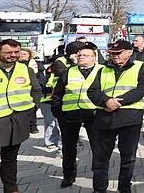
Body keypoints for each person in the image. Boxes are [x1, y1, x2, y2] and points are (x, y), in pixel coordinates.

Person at [87, 40, 144, 193]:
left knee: (128, 158)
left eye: (118, 53)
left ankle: (124, 187)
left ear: (129, 53)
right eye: (112, 53)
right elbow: (92, 91)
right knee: (100, 158)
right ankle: (99, 189)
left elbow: (142, 89)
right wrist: (106, 101)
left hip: (129, 119)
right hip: (104, 118)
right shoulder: (103, 70)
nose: (114, 56)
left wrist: (118, 102)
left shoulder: (140, 67)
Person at [0, 39, 42, 193]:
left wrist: (31, 110)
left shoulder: (26, 70)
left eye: (16, 52)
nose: (13, 55)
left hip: (17, 121)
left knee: (10, 159)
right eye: (8, 52)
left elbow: (36, 91)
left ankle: (11, 189)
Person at [50, 44, 102, 188]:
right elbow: (58, 93)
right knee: (68, 147)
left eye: (85, 55)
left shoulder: (102, 71)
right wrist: (58, 112)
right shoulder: (68, 72)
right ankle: (68, 175)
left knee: (98, 147)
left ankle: (99, 176)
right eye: (79, 55)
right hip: (69, 115)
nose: (80, 57)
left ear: (93, 58)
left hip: (94, 115)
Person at [42, 45, 71, 152]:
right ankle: (50, 142)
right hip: (48, 99)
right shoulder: (52, 69)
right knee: (50, 122)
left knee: (59, 124)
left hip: (59, 98)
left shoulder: (68, 68)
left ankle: (60, 145)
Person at [18, 48, 46, 134]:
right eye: (21, 54)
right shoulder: (15, 65)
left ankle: (33, 126)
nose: (22, 55)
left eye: (24, 54)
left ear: (29, 55)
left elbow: (41, 77)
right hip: (20, 89)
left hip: (33, 88)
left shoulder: (36, 64)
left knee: (32, 107)